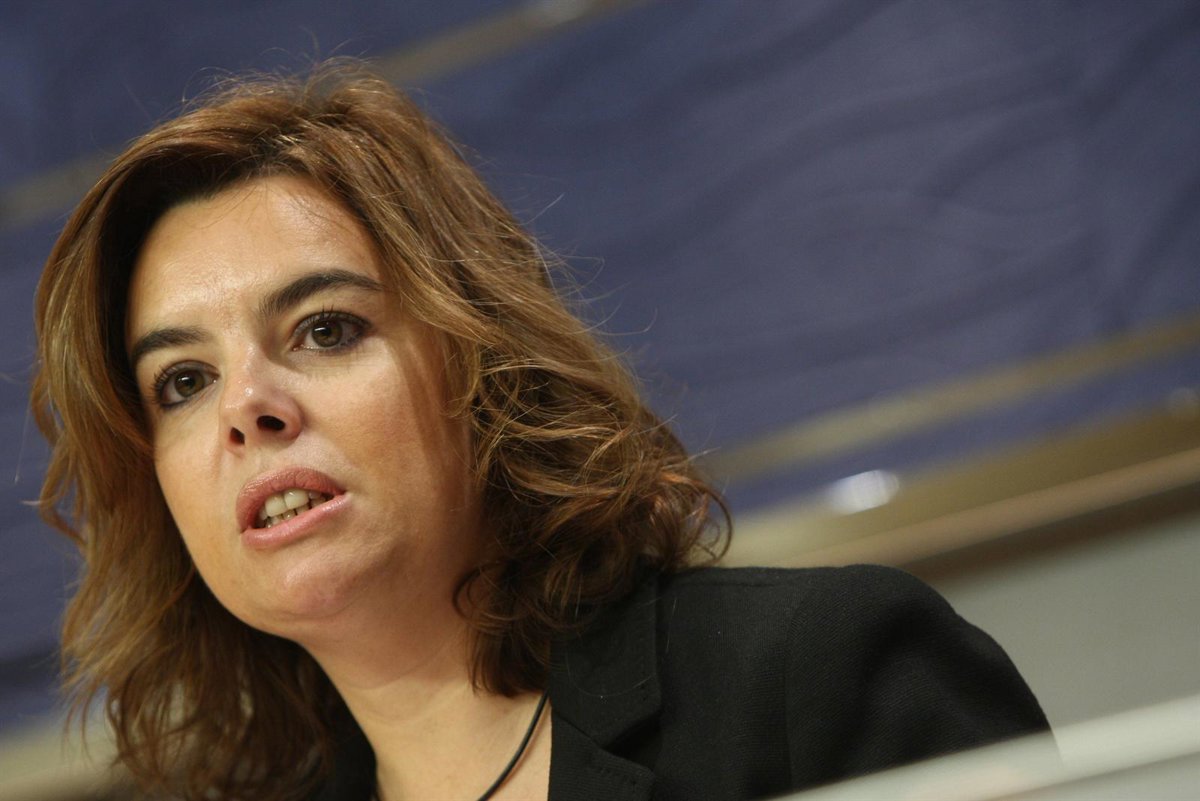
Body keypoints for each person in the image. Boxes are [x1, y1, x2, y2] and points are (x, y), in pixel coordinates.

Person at [31, 61, 1049, 801]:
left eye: (325, 329)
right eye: (183, 381)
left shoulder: (815, 675)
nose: (248, 406)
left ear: (480, 363)